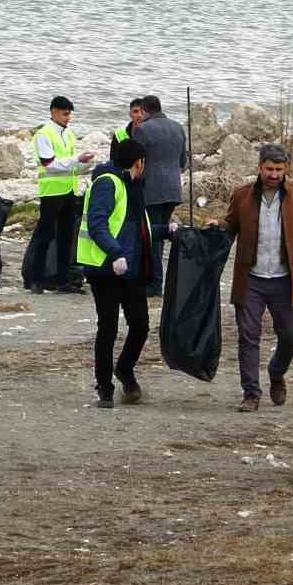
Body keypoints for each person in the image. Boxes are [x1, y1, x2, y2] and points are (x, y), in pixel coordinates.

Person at [216, 144, 293, 412]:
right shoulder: (242, 195)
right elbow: (231, 226)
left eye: (279, 169)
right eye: (269, 169)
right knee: (248, 335)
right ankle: (251, 393)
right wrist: (217, 227)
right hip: (250, 278)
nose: (273, 174)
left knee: (291, 335)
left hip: (286, 279)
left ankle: (276, 372)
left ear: (286, 169)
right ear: (260, 167)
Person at [78, 138, 174, 409]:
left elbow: (136, 230)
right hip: (105, 269)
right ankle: (105, 389)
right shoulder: (107, 184)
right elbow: (98, 225)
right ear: (139, 162)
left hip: (130, 269)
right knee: (107, 328)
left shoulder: (132, 187)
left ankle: (124, 369)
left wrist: (167, 230)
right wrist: (115, 253)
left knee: (141, 325)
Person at [22, 96, 94, 294]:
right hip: (51, 192)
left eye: (69, 114)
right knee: (44, 236)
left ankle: (63, 280)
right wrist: (75, 159)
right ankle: (36, 280)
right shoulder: (43, 134)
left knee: (66, 237)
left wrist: (84, 164)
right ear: (53, 112)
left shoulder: (68, 134)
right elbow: (49, 164)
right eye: (64, 113)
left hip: (69, 190)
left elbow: (69, 163)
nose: (68, 117)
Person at [132, 95, 188, 298]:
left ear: (145, 110)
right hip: (173, 188)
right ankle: (158, 278)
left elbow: (137, 162)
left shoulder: (141, 129)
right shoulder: (177, 127)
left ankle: (155, 283)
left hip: (151, 189)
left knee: (151, 234)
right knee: (161, 233)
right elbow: (183, 161)